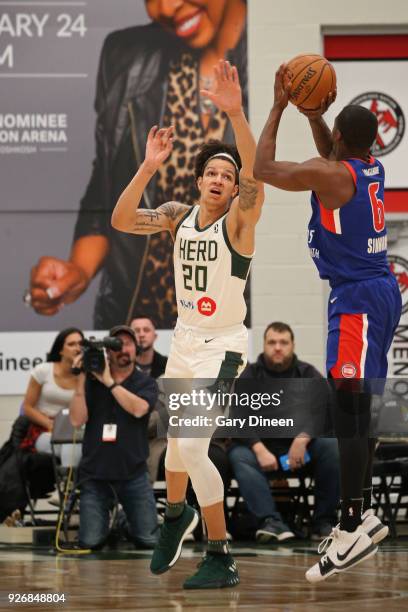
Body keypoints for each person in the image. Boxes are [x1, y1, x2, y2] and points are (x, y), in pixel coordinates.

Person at [111, 59, 264, 588]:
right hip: (185, 343)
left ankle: (220, 554)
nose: (221, 179)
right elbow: (122, 220)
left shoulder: (240, 223)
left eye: (229, 173)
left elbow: (256, 176)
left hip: (224, 344)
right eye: (213, 173)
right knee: (176, 444)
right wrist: (149, 166)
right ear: (199, 181)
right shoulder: (177, 214)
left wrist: (235, 112)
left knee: (194, 449)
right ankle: (176, 518)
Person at [254, 66, 402, 582]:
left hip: (358, 299)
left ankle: (352, 523)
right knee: (355, 408)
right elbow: (332, 155)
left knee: (349, 409)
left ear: (340, 138)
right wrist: (315, 115)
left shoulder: (334, 174)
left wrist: (277, 105)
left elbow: (264, 168)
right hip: (380, 292)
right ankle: (356, 520)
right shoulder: (368, 167)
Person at [28, 0, 247, 329]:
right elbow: (107, 188)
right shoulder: (126, 55)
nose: (167, 7)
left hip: (227, 322)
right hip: (136, 324)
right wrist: (79, 270)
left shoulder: (274, 61)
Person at [229, 321, 340, 542]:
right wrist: (259, 450)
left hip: (300, 450)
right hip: (261, 451)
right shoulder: (249, 375)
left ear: (292, 345)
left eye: (283, 342)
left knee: (331, 446)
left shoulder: (307, 373)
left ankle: (323, 523)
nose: (277, 347)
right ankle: (271, 523)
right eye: (272, 342)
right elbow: (238, 417)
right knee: (238, 455)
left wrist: (302, 439)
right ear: (264, 345)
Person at [69, 326, 159, 550]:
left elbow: (139, 409)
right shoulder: (91, 381)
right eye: (116, 345)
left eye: (128, 344)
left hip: (133, 473)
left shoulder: (145, 382)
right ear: (107, 352)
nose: (122, 349)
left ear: (136, 349)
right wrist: (81, 381)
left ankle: (121, 521)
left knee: (149, 540)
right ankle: (112, 522)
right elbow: (76, 421)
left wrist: (109, 382)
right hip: (95, 474)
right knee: (89, 542)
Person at [21, 327, 84, 468]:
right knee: (70, 445)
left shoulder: (86, 375)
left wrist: (82, 375)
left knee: (73, 444)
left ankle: (69, 483)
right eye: (71, 344)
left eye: (81, 344)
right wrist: (52, 425)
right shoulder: (43, 371)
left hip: (75, 431)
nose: (77, 348)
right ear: (60, 350)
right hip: (45, 429)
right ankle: (71, 484)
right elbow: (27, 408)